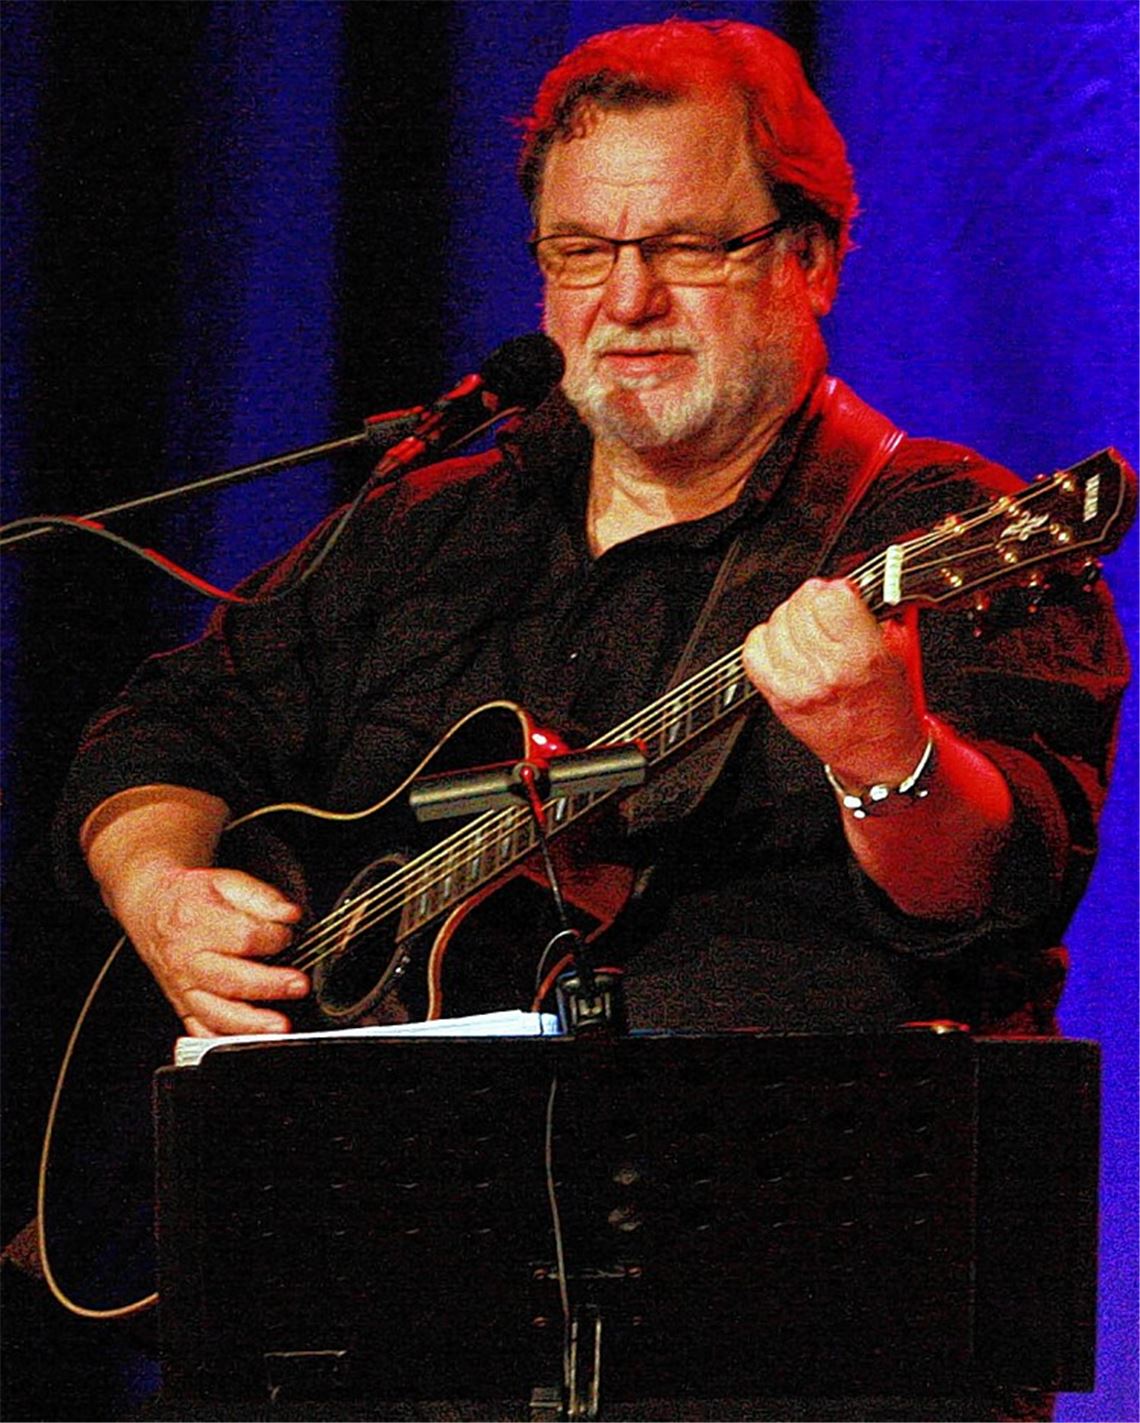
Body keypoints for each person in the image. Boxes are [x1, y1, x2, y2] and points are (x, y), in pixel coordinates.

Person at [52, 18, 1126, 1420]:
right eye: (580, 252)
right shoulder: (422, 532)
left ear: (809, 258)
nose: (628, 300)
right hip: (394, 1330)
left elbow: (998, 884)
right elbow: (165, 728)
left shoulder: (945, 533)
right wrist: (159, 885)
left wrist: (885, 753)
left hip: (798, 1341)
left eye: (686, 245)